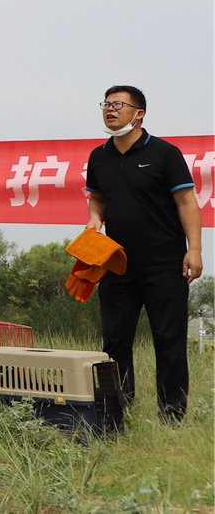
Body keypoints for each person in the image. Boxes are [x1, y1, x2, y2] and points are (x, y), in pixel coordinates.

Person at [85, 85, 203, 423]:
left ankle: (171, 417)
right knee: (115, 342)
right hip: (117, 264)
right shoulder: (99, 156)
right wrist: (95, 218)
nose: (110, 110)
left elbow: (186, 203)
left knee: (169, 341)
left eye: (118, 104)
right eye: (106, 104)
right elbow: (97, 198)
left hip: (165, 264)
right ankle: (115, 415)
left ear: (139, 113)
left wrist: (194, 249)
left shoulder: (165, 153)